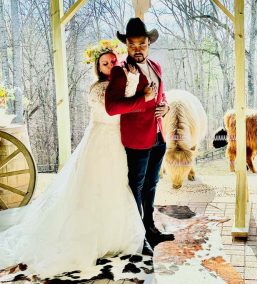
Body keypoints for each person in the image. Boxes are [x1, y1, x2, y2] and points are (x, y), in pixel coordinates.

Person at [0, 40, 149, 278]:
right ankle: (89, 236)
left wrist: (133, 84)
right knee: (94, 186)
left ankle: (113, 234)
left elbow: (129, 99)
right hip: (101, 139)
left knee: (116, 184)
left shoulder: (118, 83)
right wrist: (137, 95)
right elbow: (117, 109)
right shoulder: (99, 88)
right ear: (99, 68)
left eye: (113, 61)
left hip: (116, 142)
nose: (110, 65)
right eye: (105, 63)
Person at [105, 18, 174, 255]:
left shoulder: (156, 66)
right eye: (132, 44)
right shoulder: (120, 71)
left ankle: (150, 228)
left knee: (151, 185)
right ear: (126, 45)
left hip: (157, 136)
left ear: (148, 43)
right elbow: (112, 107)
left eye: (141, 44)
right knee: (136, 186)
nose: (137, 48)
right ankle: (137, 237)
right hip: (136, 140)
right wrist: (140, 100)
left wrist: (165, 107)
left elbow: (161, 97)